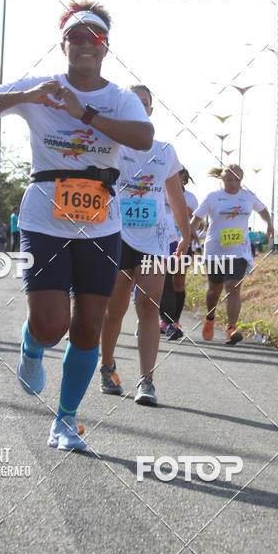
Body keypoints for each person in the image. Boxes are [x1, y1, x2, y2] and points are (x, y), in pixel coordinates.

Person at [0, 0, 153, 451]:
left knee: (89, 326)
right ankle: (31, 349)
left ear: (107, 47)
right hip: (45, 219)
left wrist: (83, 113)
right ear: (63, 43)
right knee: (51, 325)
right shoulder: (41, 86)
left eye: (95, 37)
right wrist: (27, 98)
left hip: (101, 224)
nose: (85, 44)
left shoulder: (120, 98)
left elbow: (143, 139)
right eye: (76, 37)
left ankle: (65, 422)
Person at [99, 85, 189, 405]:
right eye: (132, 104)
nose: (138, 108)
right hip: (116, 237)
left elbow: (175, 197)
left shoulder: (164, 151)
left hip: (153, 242)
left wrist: (186, 235)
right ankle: (107, 367)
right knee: (115, 309)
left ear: (150, 112)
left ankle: (146, 380)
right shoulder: (109, 147)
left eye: (144, 104)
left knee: (148, 307)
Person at [190, 165, 274, 346]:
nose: (234, 183)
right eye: (230, 179)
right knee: (214, 290)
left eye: (237, 179)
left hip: (239, 251)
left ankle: (231, 328)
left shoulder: (248, 196)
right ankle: (210, 318)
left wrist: (269, 224)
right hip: (215, 251)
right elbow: (197, 218)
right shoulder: (213, 197)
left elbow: (263, 211)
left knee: (233, 286)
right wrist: (189, 231)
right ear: (223, 179)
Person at [159, 166, 197, 340]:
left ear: (183, 177)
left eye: (177, 174)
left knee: (178, 283)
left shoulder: (190, 198)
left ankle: (174, 320)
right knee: (164, 281)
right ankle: (163, 321)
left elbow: (200, 222)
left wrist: (189, 218)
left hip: (181, 242)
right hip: (160, 241)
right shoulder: (159, 189)